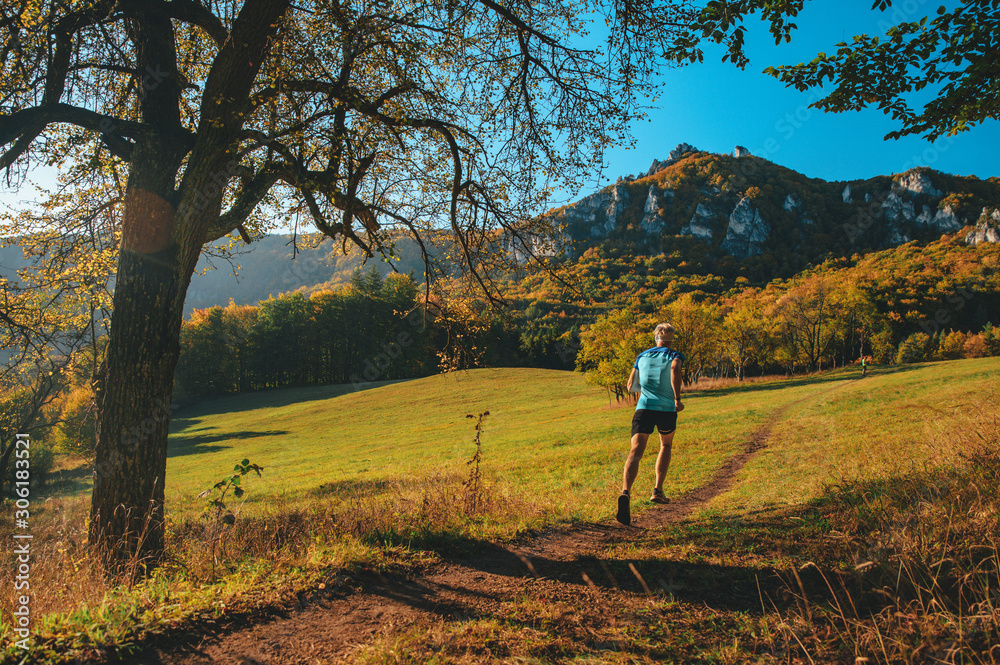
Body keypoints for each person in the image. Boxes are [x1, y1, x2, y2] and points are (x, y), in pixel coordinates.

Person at [616, 322, 685, 526]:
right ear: (671, 339)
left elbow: (630, 386)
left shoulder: (642, 356)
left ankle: (626, 492)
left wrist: (647, 389)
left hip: (644, 408)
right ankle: (657, 490)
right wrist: (676, 398)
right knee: (665, 445)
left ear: (656, 338)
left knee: (635, 452)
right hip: (665, 409)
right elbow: (674, 370)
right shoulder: (675, 355)